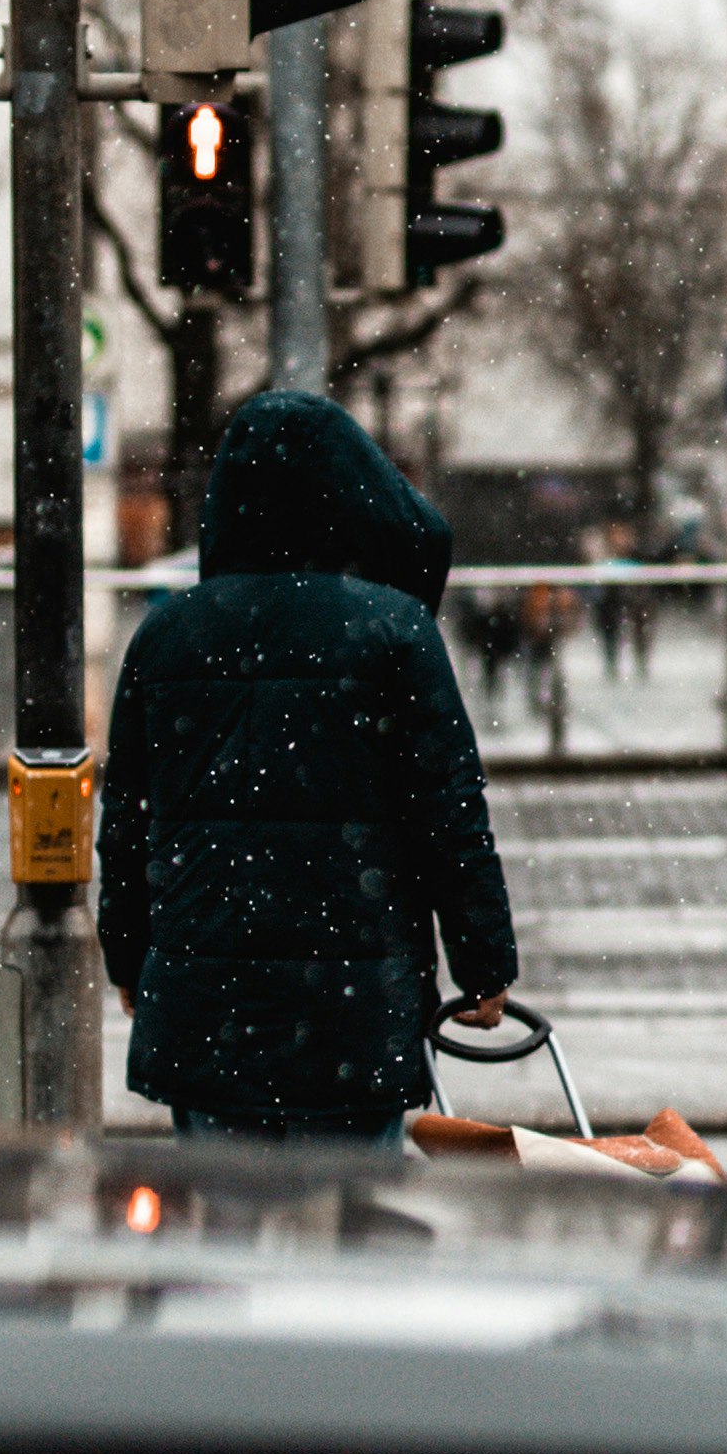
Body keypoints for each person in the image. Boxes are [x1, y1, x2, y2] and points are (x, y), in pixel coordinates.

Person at [101, 389, 516, 1146]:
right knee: (352, 1247)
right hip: (351, 1010)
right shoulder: (392, 631)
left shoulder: (164, 637)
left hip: (208, 1006)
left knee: (217, 1246)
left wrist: (126, 953)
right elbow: (449, 812)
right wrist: (482, 963)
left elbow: (126, 821)